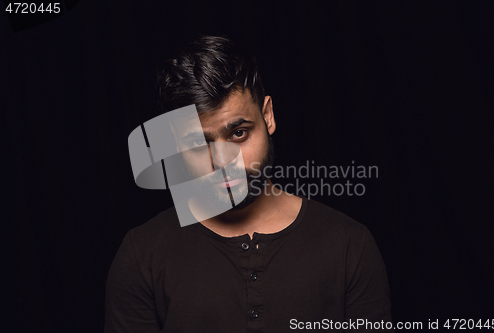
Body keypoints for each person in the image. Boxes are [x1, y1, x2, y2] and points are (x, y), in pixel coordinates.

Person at [105, 35, 393, 332]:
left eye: (239, 133)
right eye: (198, 143)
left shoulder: (349, 246)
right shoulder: (141, 256)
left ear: (267, 116)